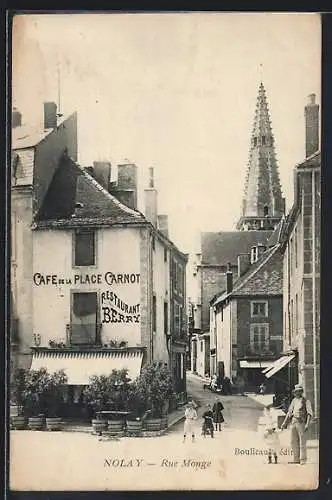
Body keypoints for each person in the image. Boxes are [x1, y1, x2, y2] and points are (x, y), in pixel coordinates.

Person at [280, 384, 313, 465]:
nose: (297, 393)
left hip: (301, 422)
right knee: (293, 441)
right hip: (294, 421)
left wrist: (307, 424)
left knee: (302, 442)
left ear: (301, 392)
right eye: (296, 392)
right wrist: (284, 422)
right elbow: (289, 412)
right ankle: (296, 459)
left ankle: (303, 460)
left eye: (298, 391)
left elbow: (309, 413)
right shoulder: (294, 400)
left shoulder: (306, 401)